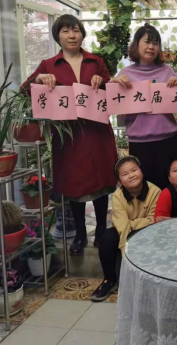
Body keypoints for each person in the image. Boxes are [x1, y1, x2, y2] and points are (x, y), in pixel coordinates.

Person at [21, 14, 117, 256]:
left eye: (76, 30)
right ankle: (81, 234)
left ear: (82, 34)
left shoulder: (96, 61)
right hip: (69, 138)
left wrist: (102, 82)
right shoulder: (48, 65)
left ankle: (102, 231)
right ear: (58, 36)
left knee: (101, 183)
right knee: (75, 185)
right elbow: (24, 91)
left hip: (97, 133)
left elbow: (114, 91)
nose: (72, 35)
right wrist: (38, 79)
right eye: (65, 31)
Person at [111, 24, 177, 190]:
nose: (151, 47)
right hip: (139, 140)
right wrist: (113, 83)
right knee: (143, 187)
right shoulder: (126, 73)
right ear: (136, 45)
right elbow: (113, 102)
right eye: (147, 42)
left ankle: (167, 209)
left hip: (167, 138)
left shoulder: (167, 71)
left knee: (167, 186)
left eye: (155, 43)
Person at [91, 156, 160, 301]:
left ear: (141, 171)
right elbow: (122, 226)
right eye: (125, 174)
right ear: (119, 181)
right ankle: (109, 280)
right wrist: (124, 250)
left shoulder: (155, 192)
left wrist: (132, 224)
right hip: (124, 231)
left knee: (145, 236)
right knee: (107, 238)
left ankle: (147, 281)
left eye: (134, 170)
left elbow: (153, 220)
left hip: (148, 230)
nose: (131, 175)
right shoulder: (118, 196)